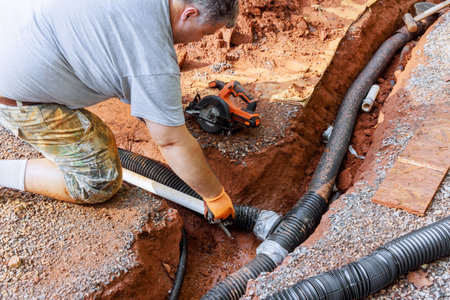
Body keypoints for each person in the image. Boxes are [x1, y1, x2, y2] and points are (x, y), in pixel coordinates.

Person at [0, 0, 238, 221]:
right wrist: (215, 197)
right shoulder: (153, 57)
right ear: (189, 14)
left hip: (12, 24)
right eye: (204, 32)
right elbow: (171, 142)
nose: (198, 40)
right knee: (98, 179)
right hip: (11, 92)